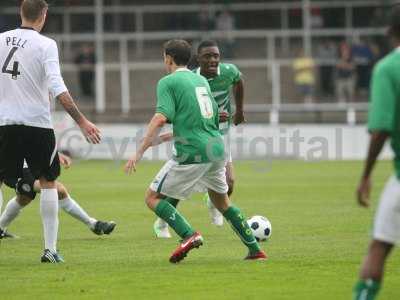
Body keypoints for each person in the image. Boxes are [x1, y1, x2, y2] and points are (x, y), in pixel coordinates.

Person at [124, 39, 266, 263]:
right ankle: (255, 250)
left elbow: (160, 117)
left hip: (192, 152)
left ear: (168, 58)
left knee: (151, 198)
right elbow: (198, 121)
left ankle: (189, 235)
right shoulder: (200, 80)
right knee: (222, 203)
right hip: (217, 148)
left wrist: (139, 151)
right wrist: (158, 141)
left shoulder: (167, 82)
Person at [0, 0, 101, 263]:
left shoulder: (1, 40)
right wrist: (82, 121)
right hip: (36, 123)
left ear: (20, 13)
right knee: (48, 182)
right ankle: (50, 250)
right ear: (43, 15)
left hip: (4, 122)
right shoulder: (46, 44)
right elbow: (57, 86)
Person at [152, 40, 245, 238]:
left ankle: (213, 204)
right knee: (182, 186)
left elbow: (239, 81)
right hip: (196, 137)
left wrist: (239, 111)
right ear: (198, 60)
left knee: (230, 182)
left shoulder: (228, 71)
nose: (213, 60)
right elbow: (185, 112)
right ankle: (162, 221)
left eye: (216, 56)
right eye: (208, 56)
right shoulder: (191, 78)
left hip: (220, 135)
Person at [354, 7, 400, 299]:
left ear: (388, 31)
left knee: (379, 247)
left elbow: (381, 128)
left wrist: (366, 175)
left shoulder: (388, 67)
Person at [0, 153, 115, 239]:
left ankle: (0, 228)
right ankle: (93, 224)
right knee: (58, 190)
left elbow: (32, 138)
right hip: (12, 165)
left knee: (25, 198)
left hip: (27, 163)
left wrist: (54, 153)